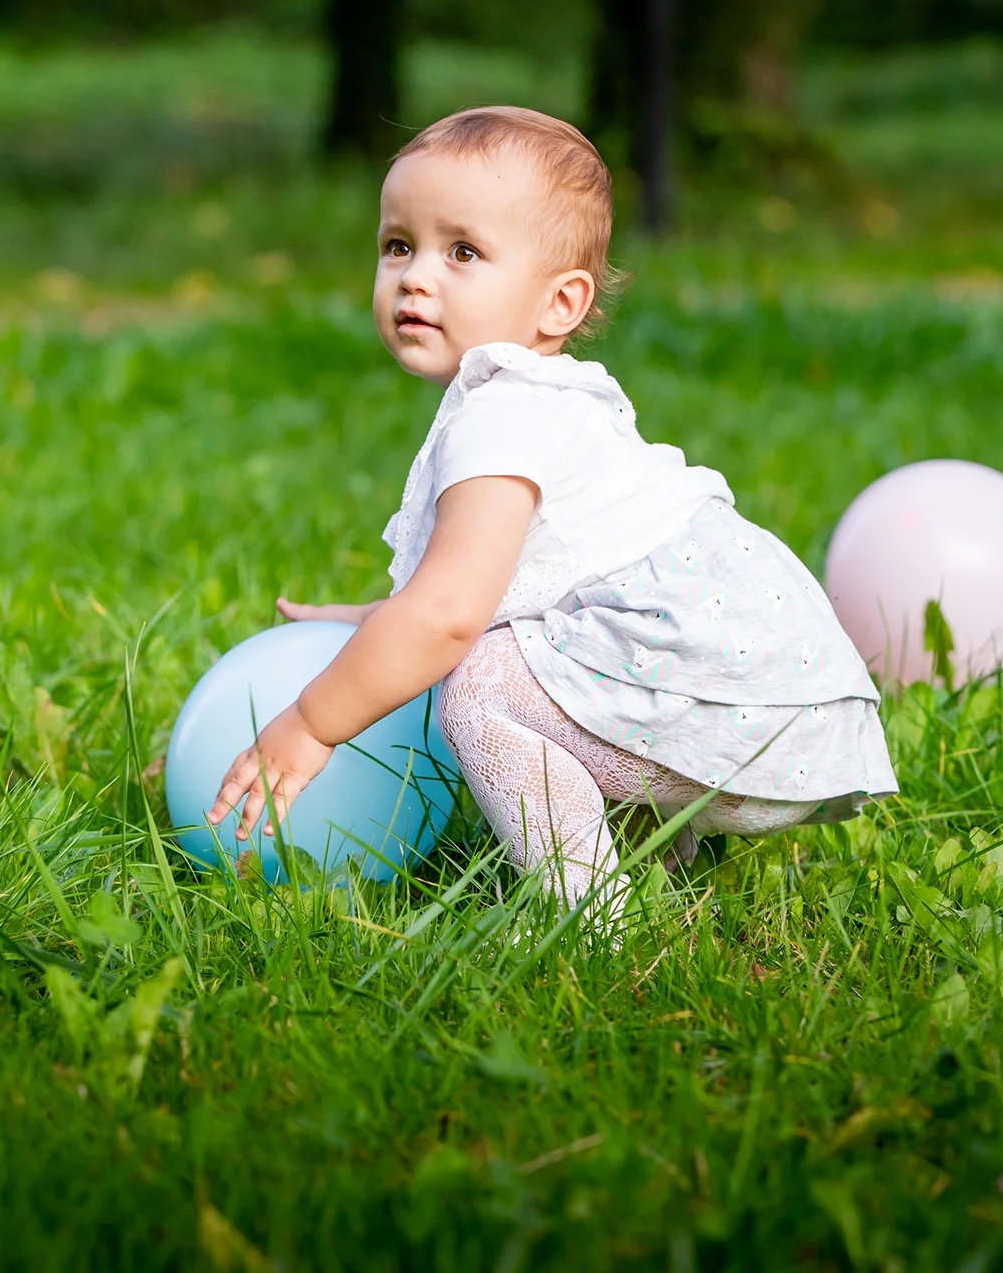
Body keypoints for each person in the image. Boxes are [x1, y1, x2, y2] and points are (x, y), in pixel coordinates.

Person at [207, 107, 896, 904]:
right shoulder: (540, 399)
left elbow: (450, 619)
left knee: (481, 684)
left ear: (560, 304)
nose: (416, 276)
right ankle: (653, 873)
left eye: (463, 252)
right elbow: (502, 590)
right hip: (764, 705)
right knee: (525, 656)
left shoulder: (503, 417)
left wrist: (310, 723)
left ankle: (589, 912)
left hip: (733, 715)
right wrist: (368, 621)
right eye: (398, 245)